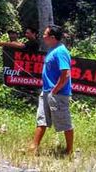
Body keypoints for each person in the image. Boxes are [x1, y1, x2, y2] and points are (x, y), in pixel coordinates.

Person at [29, 25, 73, 155]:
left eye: (45, 34)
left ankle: (69, 151)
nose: (43, 36)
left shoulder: (61, 51)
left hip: (58, 94)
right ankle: (33, 148)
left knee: (64, 122)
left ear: (52, 37)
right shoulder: (52, 49)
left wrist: (55, 90)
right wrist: (48, 91)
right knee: (41, 120)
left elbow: (66, 73)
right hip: (46, 91)